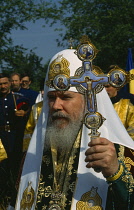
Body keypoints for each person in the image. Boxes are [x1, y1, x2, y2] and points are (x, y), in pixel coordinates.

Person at [11, 50, 134, 209]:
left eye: (66, 97)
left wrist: (115, 173)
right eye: (51, 97)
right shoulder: (32, 156)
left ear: (88, 100)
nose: (56, 106)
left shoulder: (120, 154)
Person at [0, 73, 30, 208]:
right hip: (1, 138)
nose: (3, 86)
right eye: (0, 84)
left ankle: (14, 200)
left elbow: (30, 114)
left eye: (5, 83)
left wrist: (24, 113)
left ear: (10, 83)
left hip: (15, 137)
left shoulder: (18, 98)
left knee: (15, 168)